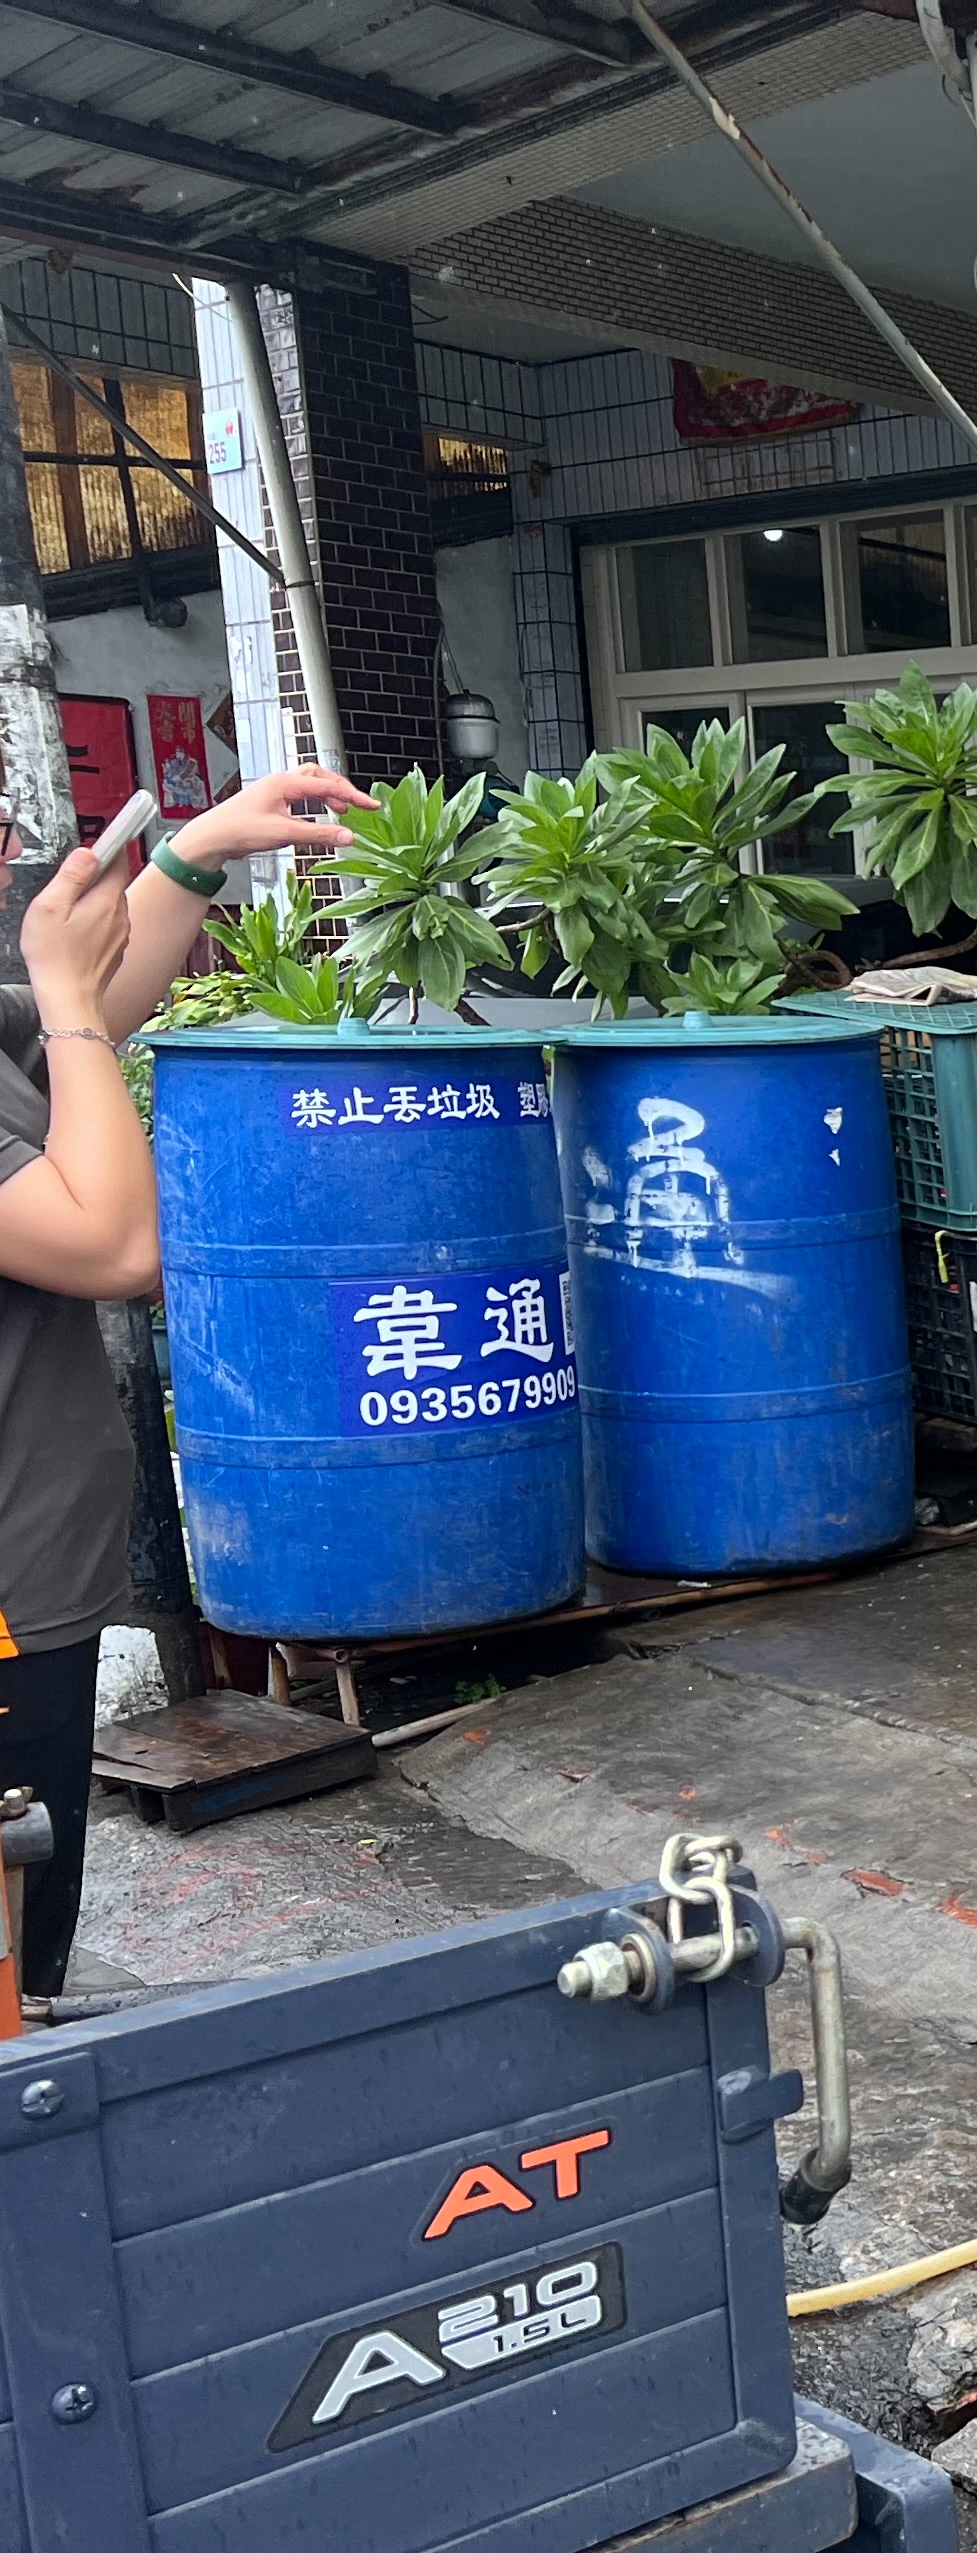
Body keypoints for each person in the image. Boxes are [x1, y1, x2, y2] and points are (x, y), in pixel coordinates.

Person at [0, 767, 367, 2007]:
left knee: (25, 1915)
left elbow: (92, 1010)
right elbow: (110, 1244)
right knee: (11, 1941)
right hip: (0, 1605)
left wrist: (196, 855)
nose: (10, 841)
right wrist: (60, 991)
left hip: (29, 1571)